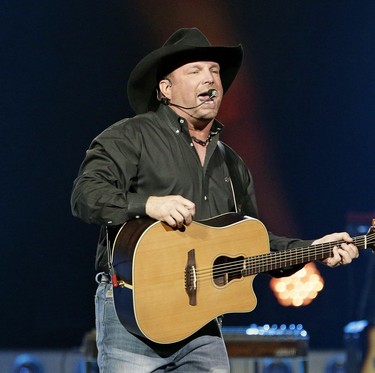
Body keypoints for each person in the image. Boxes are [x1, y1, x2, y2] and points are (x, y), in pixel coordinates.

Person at [71, 28, 359, 372]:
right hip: (132, 312)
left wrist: (316, 248)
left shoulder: (232, 164)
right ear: (165, 89)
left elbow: (254, 243)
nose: (209, 79)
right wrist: (149, 205)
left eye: (214, 71)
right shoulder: (130, 137)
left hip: (201, 325)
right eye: (195, 71)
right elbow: (86, 196)